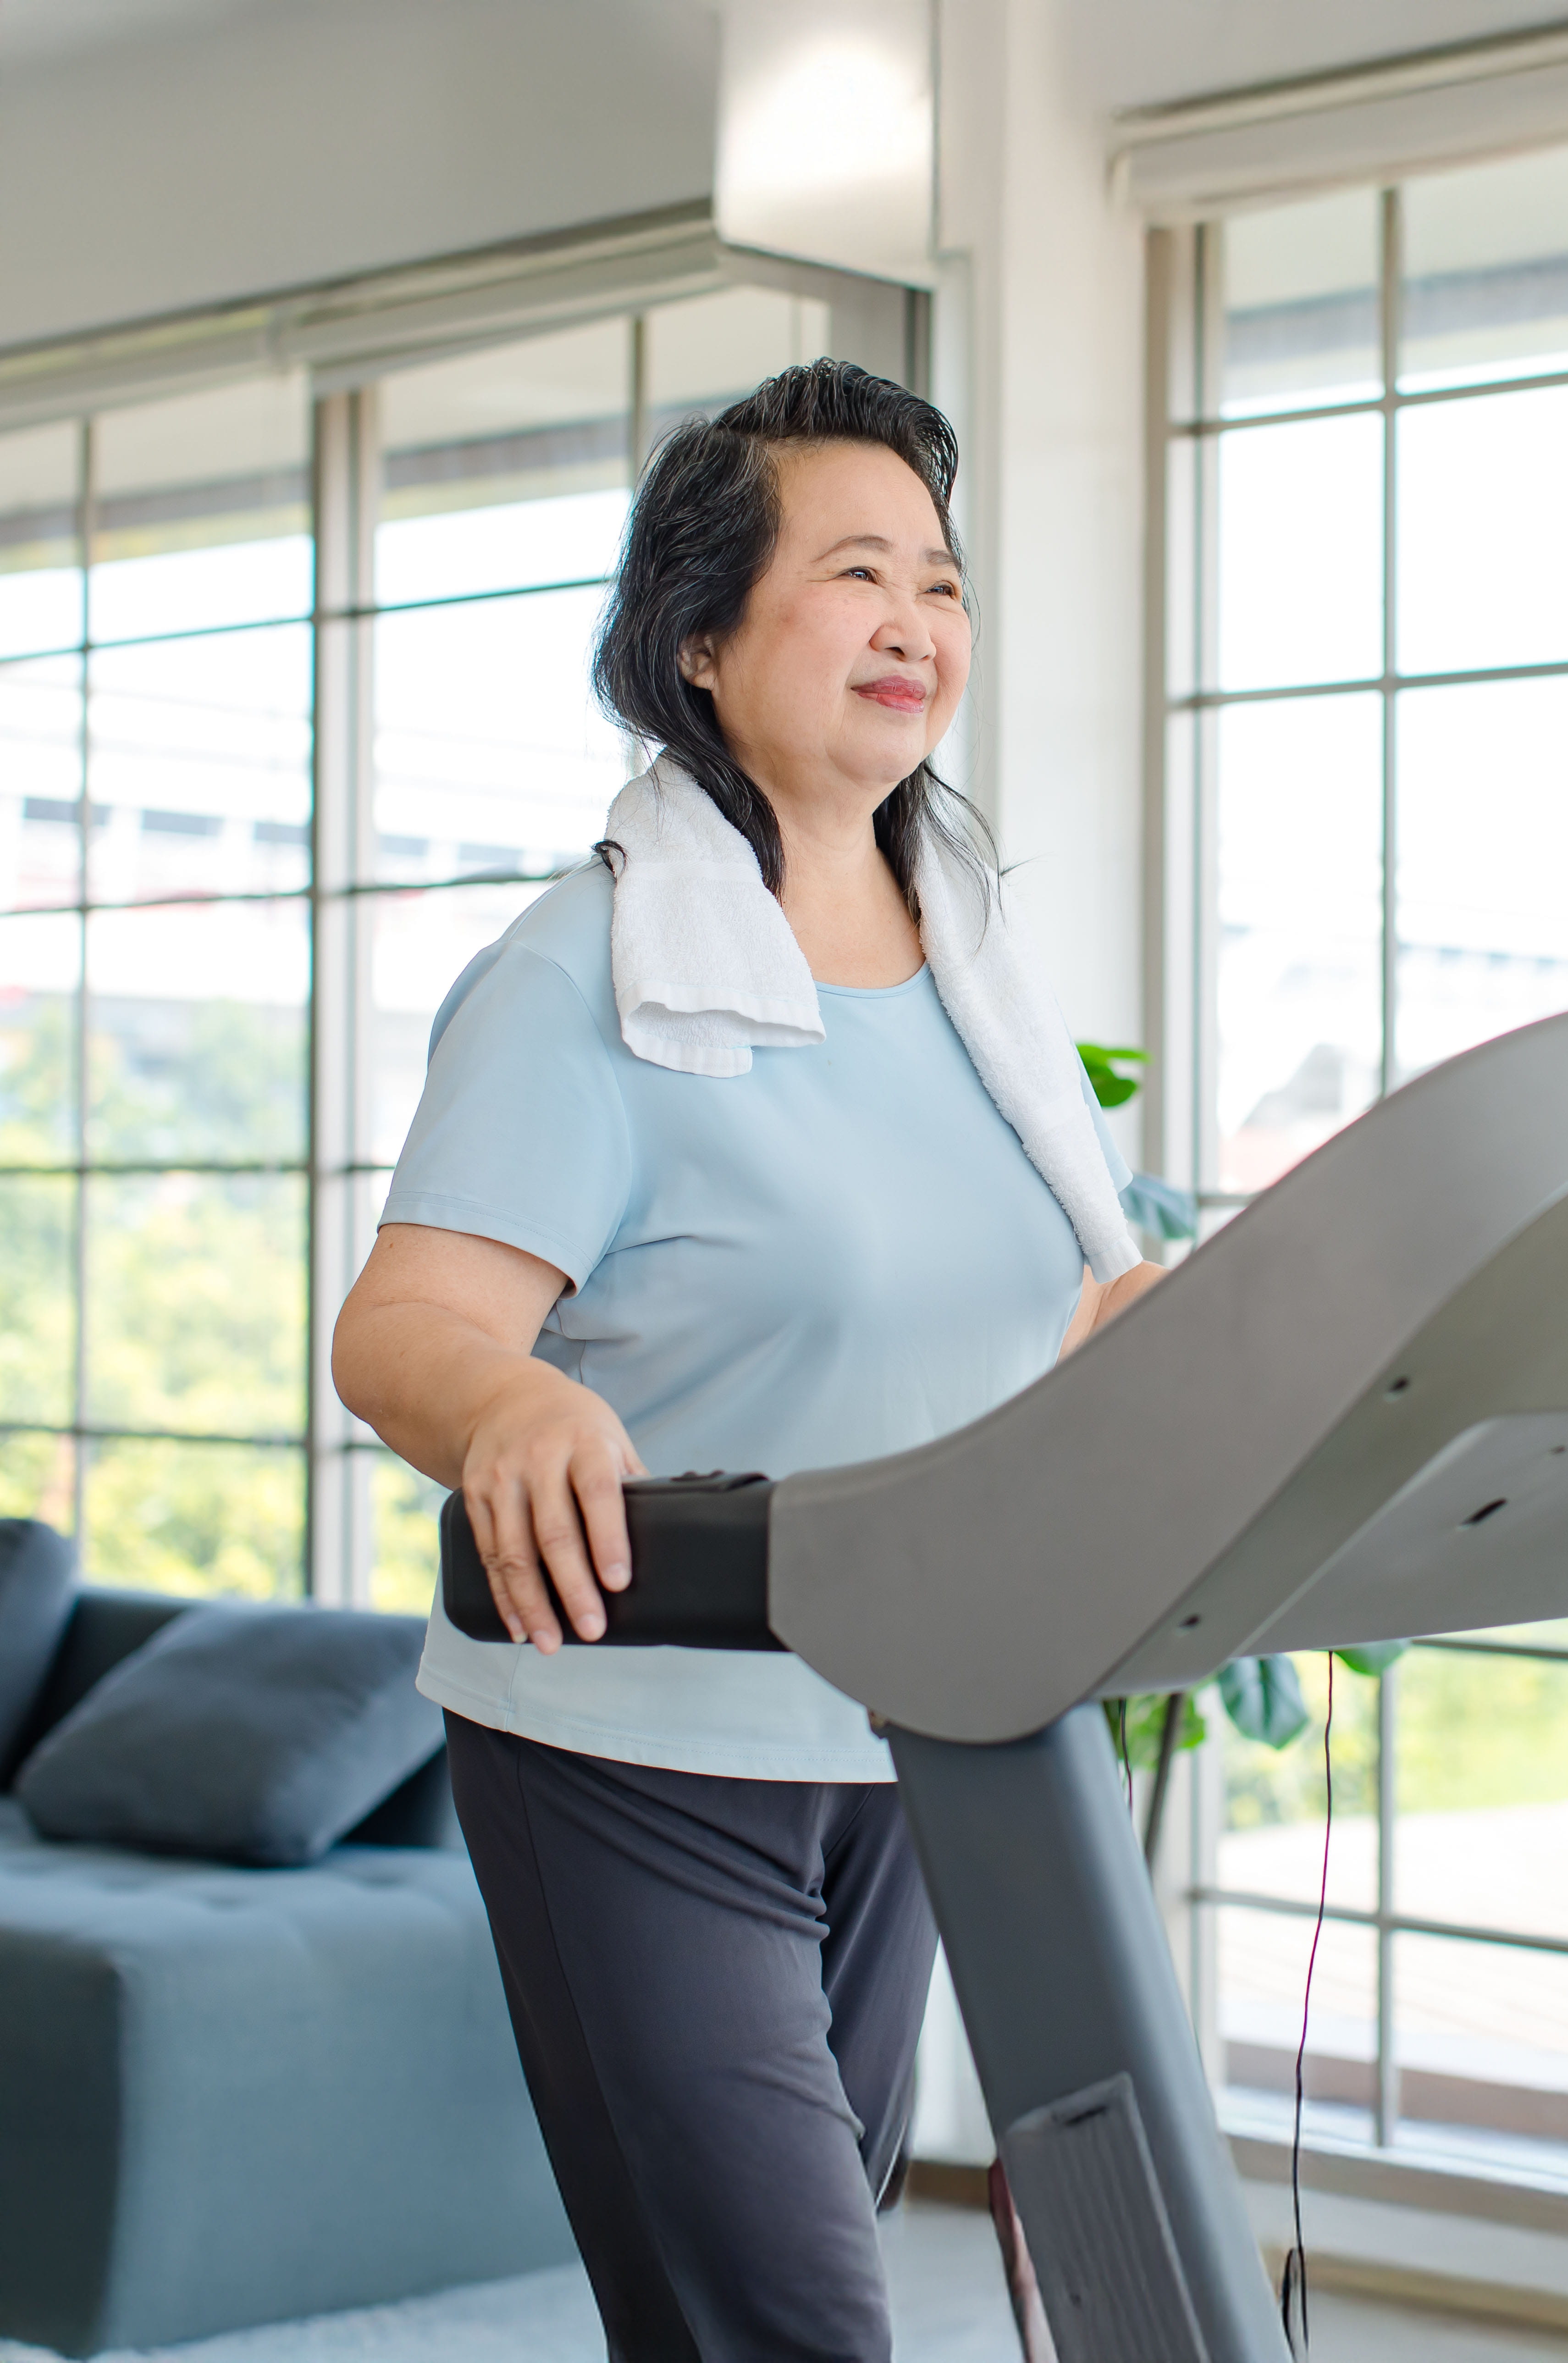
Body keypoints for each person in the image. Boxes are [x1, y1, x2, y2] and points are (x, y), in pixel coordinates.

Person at [333, 359, 1159, 2363]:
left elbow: (1050, 1310)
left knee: (746, 2311)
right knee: (790, 2324)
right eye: (855, 571)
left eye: (941, 583)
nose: (914, 623)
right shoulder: (577, 972)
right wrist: (515, 1392)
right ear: (696, 641)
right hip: (638, 1736)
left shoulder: (977, 970)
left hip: (910, 1730)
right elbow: (406, 1328)